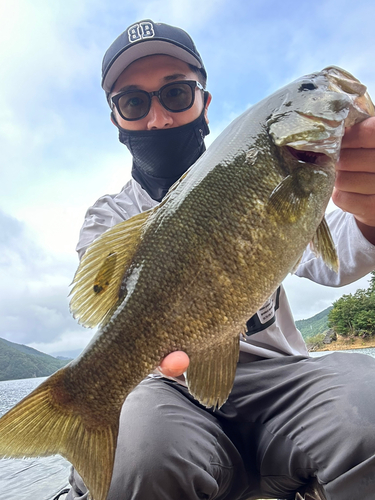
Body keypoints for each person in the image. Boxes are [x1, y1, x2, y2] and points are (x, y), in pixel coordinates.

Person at [65, 19, 375, 500]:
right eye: (133, 101)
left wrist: (370, 209)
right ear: (116, 119)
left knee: (369, 400)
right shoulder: (109, 216)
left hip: (284, 384)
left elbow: (334, 260)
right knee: (137, 449)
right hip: (171, 390)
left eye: (175, 94)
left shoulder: (264, 168)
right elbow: (113, 312)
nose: (158, 119)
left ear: (204, 103)